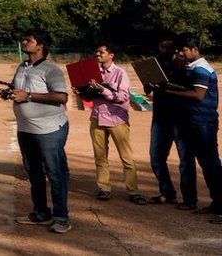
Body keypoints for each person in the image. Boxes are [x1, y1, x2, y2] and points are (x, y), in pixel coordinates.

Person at [11, 30, 72, 234]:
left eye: (28, 40)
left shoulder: (51, 69)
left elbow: (61, 97)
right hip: (26, 130)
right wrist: (9, 92)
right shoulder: (22, 66)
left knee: (55, 173)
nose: (24, 42)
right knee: (34, 173)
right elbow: (17, 89)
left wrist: (27, 96)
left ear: (40, 46)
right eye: (24, 38)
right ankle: (40, 212)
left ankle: (62, 217)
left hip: (49, 130)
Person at [162, 33, 222, 217]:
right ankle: (217, 203)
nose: (181, 53)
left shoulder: (201, 69)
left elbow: (198, 95)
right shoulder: (193, 67)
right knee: (207, 164)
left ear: (195, 49)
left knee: (211, 164)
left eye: (184, 50)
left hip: (203, 121)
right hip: (195, 120)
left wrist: (172, 92)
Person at [83, 43, 145, 203]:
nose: (98, 54)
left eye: (101, 52)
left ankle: (133, 191)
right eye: (96, 51)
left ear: (111, 55)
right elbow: (90, 98)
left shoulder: (120, 73)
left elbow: (123, 97)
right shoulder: (93, 73)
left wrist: (103, 90)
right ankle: (104, 188)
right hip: (97, 117)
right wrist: (84, 91)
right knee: (100, 157)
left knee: (126, 157)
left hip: (116, 119)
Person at [144, 35, 193, 206]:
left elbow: (189, 89)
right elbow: (147, 90)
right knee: (156, 156)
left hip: (180, 117)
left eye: (168, 46)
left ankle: (189, 199)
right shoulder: (154, 63)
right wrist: (150, 84)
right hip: (160, 117)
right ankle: (167, 192)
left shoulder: (183, 64)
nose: (165, 50)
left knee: (185, 159)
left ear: (175, 48)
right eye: (162, 46)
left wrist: (167, 85)